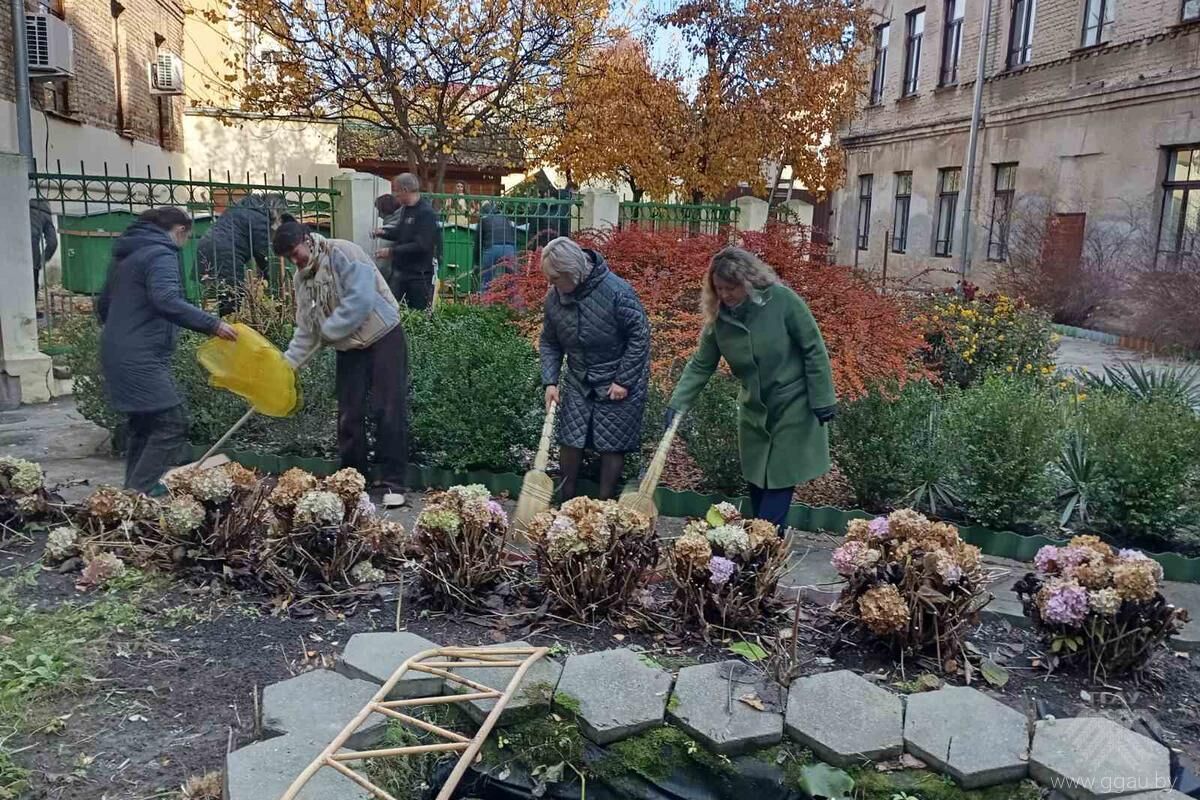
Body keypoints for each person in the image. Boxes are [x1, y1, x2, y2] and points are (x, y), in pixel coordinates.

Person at [666, 246, 837, 534]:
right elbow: (700, 365)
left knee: (778, 486)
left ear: (749, 282)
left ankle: (761, 551)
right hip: (754, 412)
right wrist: (677, 404)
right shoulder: (720, 319)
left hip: (793, 405)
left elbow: (813, 349)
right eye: (719, 288)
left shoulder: (783, 301)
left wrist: (823, 398)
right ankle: (764, 559)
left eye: (732, 288)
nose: (725, 295)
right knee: (758, 485)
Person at [97, 207, 238, 493]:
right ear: (180, 231)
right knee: (171, 423)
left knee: (144, 426)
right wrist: (213, 324)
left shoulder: (128, 255)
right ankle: (139, 493)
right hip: (140, 355)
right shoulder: (161, 253)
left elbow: (102, 306)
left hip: (119, 351)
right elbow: (166, 299)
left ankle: (130, 497)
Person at [273, 217, 410, 493]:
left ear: (307, 240)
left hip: (383, 337)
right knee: (349, 413)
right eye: (288, 258)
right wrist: (288, 365)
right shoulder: (302, 279)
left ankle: (392, 481)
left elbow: (359, 300)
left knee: (387, 409)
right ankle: (353, 479)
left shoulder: (344, 252)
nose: (293, 262)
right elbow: (306, 328)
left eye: (294, 254)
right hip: (348, 346)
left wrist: (329, 330)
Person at [540, 237, 650, 501]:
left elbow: (640, 335)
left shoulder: (616, 291)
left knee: (613, 443)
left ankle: (604, 505)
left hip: (618, 375)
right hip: (580, 377)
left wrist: (624, 381)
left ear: (572, 273)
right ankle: (566, 501)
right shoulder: (555, 298)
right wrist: (550, 382)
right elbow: (550, 341)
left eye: (555, 279)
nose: (550, 285)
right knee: (570, 438)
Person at [196, 193, 288, 315]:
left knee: (217, 295)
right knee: (232, 297)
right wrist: (268, 277)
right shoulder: (259, 218)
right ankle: (228, 328)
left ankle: (217, 325)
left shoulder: (246, 208)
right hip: (225, 253)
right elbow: (261, 252)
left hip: (206, 247)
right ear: (276, 209)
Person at [376, 173, 438, 310]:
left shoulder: (426, 213)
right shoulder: (406, 210)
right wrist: (383, 232)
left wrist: (392, 252)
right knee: (396, 311)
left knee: (418, 314)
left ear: (405, 190)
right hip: (402, 273)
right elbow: (401, 233)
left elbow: (422, 245)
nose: (394, 194)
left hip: (419, 276)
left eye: (396, 190)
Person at [477, 202, 517, 290]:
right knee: (512, 279)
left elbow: (477, 243)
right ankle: (514, 301)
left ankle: (484, 302)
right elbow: (512, 235)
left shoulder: (483, 220)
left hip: (492, 248)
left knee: (486, 279)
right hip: (509, 247)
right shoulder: (505, 219)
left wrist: (476, 263)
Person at [30, 199, 57, 304]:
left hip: (11, 248)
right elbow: (52, 243)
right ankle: (31, 310)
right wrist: (42, 260)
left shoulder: (21, 209)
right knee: (32, 282)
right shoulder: (45, 214)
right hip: (32, 248)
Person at [373, 193, 403, 280]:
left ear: (384, 210)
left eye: (378, 210)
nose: (378, 215)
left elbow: (383, 266)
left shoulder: (387, 231)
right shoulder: (404, 224)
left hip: (394, 279)